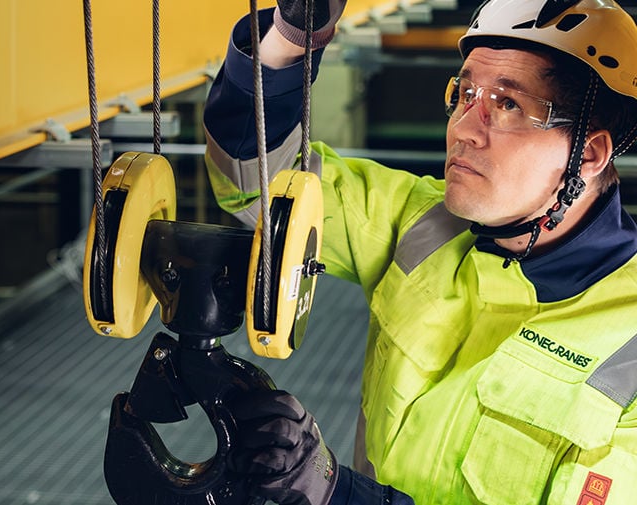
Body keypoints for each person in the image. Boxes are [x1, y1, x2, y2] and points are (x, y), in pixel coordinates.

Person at [204, 0, 637, 503]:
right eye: (467, 94)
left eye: (508, 104)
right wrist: (291, 38)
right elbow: (259, 188)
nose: (464, 129)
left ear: (588, 153)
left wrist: (336, 493)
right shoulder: (422, 224)